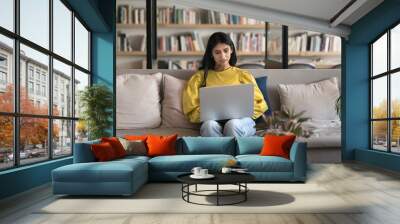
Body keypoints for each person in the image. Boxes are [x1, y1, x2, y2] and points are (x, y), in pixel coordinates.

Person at [182, 32, 268, 137]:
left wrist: (241, 112)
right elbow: (190, 108)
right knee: (209, 126)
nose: (223, 56)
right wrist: (208, 114)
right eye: (217, 52)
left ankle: (230, 151)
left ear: (231, 50)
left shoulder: (243, 75)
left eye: (226, 50)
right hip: (213, 121)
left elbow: (260, 103)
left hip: (240, 121)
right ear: (211, 54)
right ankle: (221, 152)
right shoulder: (200, 77)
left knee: (232, 125)